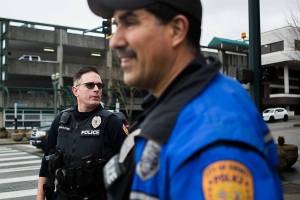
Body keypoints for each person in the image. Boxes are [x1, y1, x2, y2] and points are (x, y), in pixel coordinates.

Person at [87, 0, 283, 199]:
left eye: (129, 23)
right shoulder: (187, 102)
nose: (115, 41)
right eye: (115, 25)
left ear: (177, 30)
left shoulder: (211, 135)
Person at [36, 67, 127, 200]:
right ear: (75, 90)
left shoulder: (112, 122)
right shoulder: (62, 120)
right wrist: (39, 196)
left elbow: (130, 166)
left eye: (100, 86)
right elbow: (46, 163)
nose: (96, 89)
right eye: (90, 85)